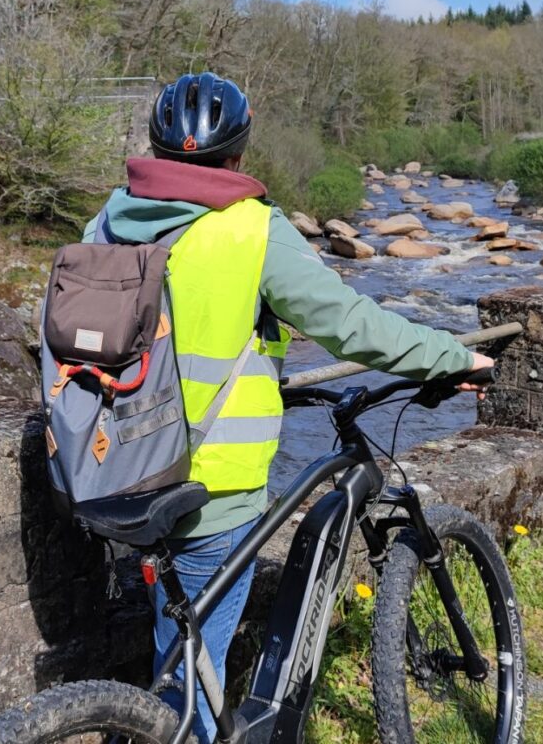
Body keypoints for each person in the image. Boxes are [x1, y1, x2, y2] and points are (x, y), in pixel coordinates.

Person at [84, 71, 492, 742]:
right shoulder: (251, 228)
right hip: (209, 484)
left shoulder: (108, 218)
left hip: (113, 466)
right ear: (240, 155)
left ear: (154, 149)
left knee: (175, 653)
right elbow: (352, 325)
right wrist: (453, 356)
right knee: (192, 692)